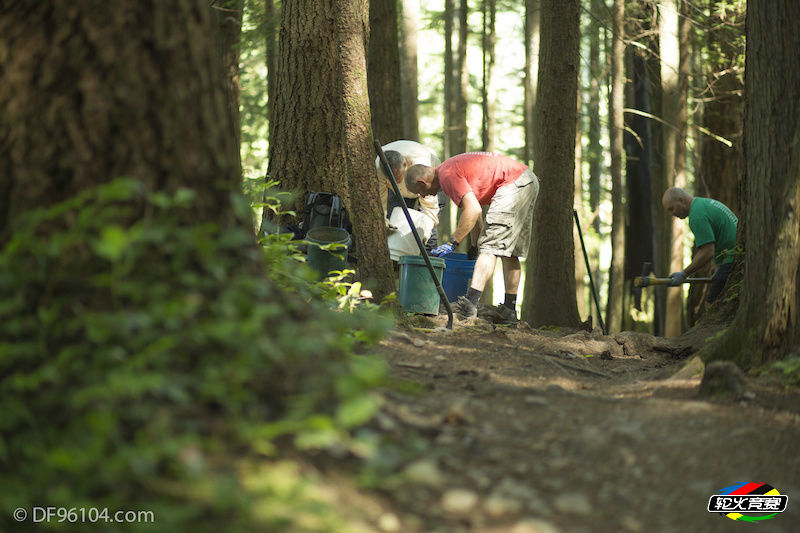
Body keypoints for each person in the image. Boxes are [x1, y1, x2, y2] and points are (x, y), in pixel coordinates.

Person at [405, 152, 540, 323]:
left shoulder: (447, 176)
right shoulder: (449, 169)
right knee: (509, 252)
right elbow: (474, 210)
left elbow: (473, 210)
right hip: (525, 180)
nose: (424, 197)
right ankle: (510, 310)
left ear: (422, 182)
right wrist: (475, 244)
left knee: (489, 249)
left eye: (420, 192)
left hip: (513, 185)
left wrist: (453, 241)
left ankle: (469, 306)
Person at [661, 187, 738, 302]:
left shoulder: (697, 216)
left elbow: (707, 252)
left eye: (672, 209)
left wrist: (683, 274)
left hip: (732, 260)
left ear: (681, 200)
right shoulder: (702, 204)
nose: (672, 214)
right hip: (736, 255)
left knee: (712, 306)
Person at [374, 140, 441, 248]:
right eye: (391, 180)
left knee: (428, 231)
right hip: (398, 193)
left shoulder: (421, 163)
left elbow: (430, 206)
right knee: (396, 225)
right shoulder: (379, 166)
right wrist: (384, 221)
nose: (395, 182)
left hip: (431, 188)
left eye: (398, 177)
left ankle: (429, 257)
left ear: (405, 165)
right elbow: (380, 198)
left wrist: (426, 233)